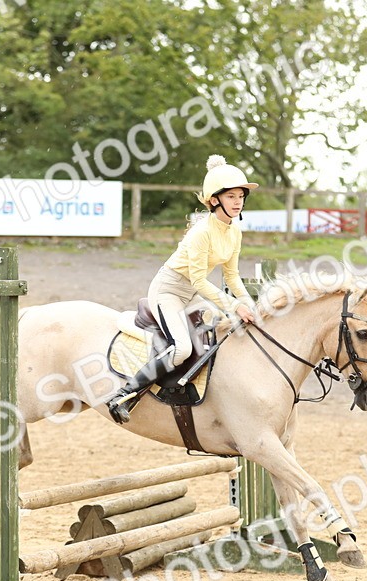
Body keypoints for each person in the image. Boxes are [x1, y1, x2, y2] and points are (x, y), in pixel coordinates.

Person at [107, 154, 258, 425]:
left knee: (223, 332)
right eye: (232, 196)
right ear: (215, 200)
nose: (238, 202)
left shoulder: (235, 232)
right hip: (169, 291)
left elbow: (232, 276)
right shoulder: (201, 232)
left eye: (241, 197)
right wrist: (234, 305)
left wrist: (251, 305)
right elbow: (200, 280)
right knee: (182, 349)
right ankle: (124, 394)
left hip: (192, 294)